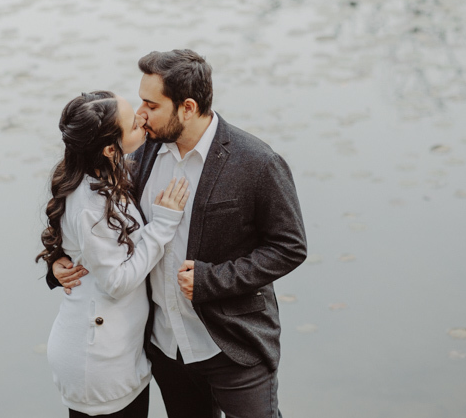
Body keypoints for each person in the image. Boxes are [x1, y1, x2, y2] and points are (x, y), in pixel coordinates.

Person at [51, 51, 308, 418]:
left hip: (233, 344)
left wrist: (212, 279)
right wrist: (59, 260)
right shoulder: (140, 154)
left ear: (187, 107)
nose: (140, 114)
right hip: (166, 349)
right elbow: (89, 211)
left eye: (151, 104)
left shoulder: (257, 163)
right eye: (139, 101)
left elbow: (289, 247)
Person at [38, 90, 192, 418]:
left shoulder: (102, 172)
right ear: (110, 148)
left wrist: (57, 262)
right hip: (96, 359)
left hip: (120, 349)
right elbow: (117, 281)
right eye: (133, 124)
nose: (142, 118)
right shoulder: (88, 207)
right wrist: (164, 225)